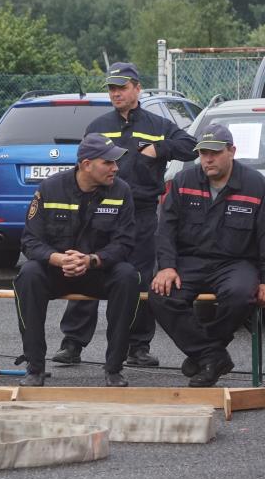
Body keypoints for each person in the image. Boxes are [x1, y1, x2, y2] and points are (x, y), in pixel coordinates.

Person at [53, 62, 197, 368]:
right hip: (99, 210)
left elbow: (191, 147)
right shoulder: (99, 125)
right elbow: (82, 164)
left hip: (142, 213)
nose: (116, 93)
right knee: (87, 269)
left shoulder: (158, 125)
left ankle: (137, 346)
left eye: (122, 87)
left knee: (140, 277)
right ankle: (73, 343)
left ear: (137, 88)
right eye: (112, 89)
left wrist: (158, 149)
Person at [15, 134, 140, 387]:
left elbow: (125, 243)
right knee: (28, 274)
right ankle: (35, 367)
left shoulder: (121, 191)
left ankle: (114, 368)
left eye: (115, 162)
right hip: (58, 271)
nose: (115, 168)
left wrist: (93, 260)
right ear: (86, 165)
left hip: (97, 271)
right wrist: (58, 259)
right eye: (108, 162)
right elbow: (30, 241)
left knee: (128, 276)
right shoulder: (50, 188)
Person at [149, 124, 265, 387]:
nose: (208, 159)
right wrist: (166, 267)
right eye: (203, 153)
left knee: (239, 295)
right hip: (191, 261)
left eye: (214, 152)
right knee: (160, 295)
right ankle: (212, 356)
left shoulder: (255, 184)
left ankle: (205, 354)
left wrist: (264, 279)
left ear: (232, 151)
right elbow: (165, 229)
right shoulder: (183, 182)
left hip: (235, 263)